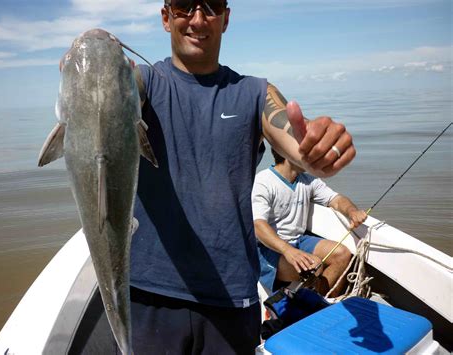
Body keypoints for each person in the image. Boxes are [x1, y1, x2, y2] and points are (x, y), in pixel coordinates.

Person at [127, 1, 356, 353]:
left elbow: (291, 138)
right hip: (149, 292)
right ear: (166, 17)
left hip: (231, 296)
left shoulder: (255, 92)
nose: (198, 19)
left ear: (226, 19)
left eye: (211, 7)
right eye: (185, 6)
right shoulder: (143, 83)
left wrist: (315, 154)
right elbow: (115, 90)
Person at [252, 148, 367, 297]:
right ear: (288, 154)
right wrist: (289, 251)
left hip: (299, 240)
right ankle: (300, 303)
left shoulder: (309, 180)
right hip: (267, 249)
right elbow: (258, 226)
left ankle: (321, 303)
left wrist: (352, 211)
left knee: (342, 254)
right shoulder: (262, 182)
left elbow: (336, 200)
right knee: (314, 266)